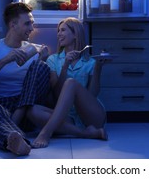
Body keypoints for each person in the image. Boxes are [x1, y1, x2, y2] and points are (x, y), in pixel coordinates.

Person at [0, 2, 50, 156]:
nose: (32, 29)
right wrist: (5, 60)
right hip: (1, 106)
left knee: (40, 67)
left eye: (32, 23)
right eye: (27, 24)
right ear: (13, 24)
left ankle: (15, 123)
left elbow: (44, 85)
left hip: (27, 109)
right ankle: (16, 139)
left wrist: (43, 60)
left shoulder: (33, 50)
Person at [27, 17, 108, 148]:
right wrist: (65, 66)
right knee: (32, 111)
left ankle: (46, 133)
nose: (59, 34)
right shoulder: (53, 60)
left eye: (63, 30)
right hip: (66, 116)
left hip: (91, 116)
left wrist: (98, 68)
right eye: (58, 31)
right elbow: (57, 94)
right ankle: (86, 134)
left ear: (75, 34)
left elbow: (93, 94)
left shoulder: (91, 62)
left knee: (71, 83)